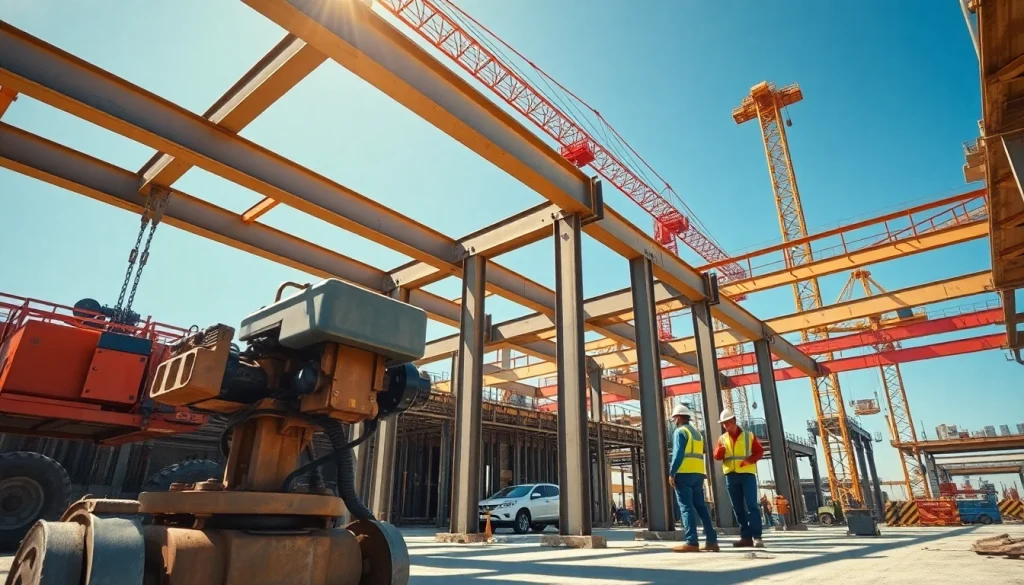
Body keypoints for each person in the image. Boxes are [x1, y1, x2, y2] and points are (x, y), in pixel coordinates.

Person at [667, 404, 719, 553]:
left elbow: (678, 454)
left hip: (683, 474)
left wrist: (672, 472)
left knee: (686, 507)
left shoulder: (680, 432)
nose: (673, 421)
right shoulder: (697, 434)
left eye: (674, 418)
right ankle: (712, 541)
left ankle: (691, 542)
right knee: (701, 507)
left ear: (678, 417)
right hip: (698, 474)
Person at [713, 407, 765, 548]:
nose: (726, 426)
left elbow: (759, 452)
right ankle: (745, 537)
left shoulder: (749, 436)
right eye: (724, 424)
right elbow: (717, 456)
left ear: (734, 421)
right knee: (737, 508)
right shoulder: (722, 439)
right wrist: (720, 450)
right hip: (731, 475)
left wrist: (750, 460)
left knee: (751, 505)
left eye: (728, 422)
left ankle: (757, 536)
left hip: (747, 475)